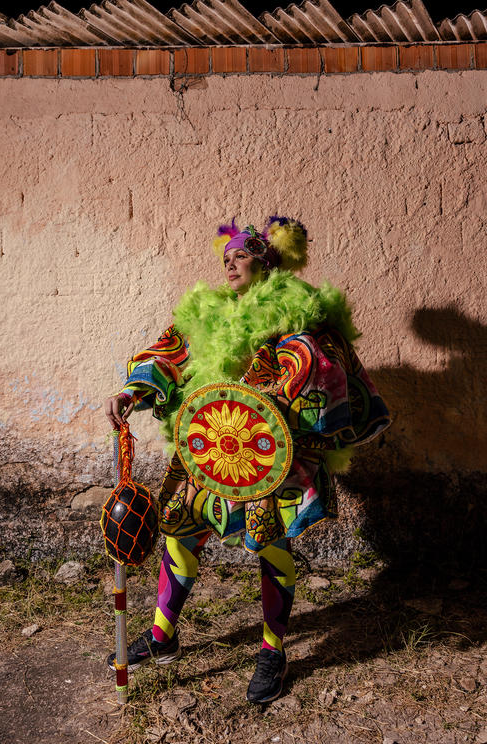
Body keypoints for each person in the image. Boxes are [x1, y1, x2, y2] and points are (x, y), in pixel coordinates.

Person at [103, 217, 390, 703]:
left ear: (266, 259)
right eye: (226, 257)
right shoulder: (206, 313)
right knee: (181, 527)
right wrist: (133, 390)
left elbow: (323, 363)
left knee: (269, 542)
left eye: (241, 254)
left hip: (267, 453)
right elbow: (169, 353)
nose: (230, 262)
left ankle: (273, 650)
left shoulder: (295, 310)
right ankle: (162, 635)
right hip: (206, 446)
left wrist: (286, 387)